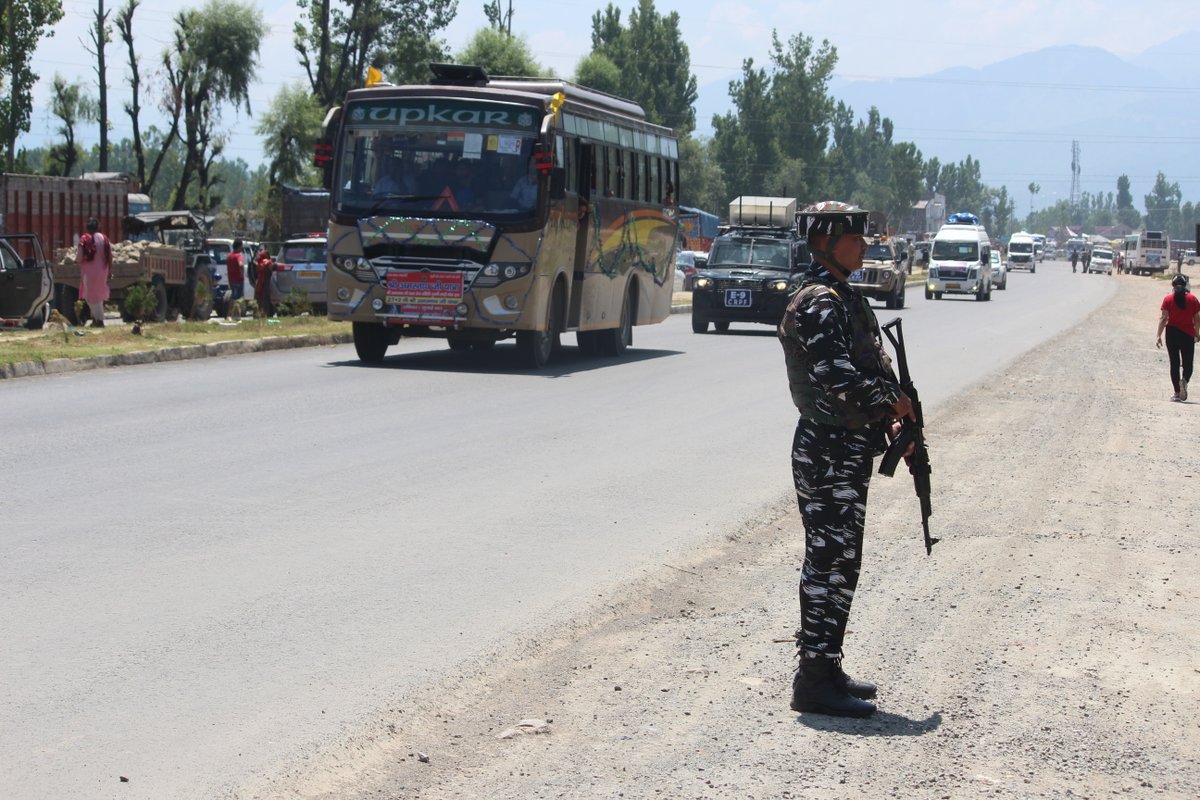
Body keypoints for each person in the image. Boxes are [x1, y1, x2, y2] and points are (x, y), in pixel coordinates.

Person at [778, 201, 914, 718]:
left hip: (846, 448)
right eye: (854, 239)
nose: (864, 246)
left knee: (843, 561)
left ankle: (827, 666)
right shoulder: (818, 301)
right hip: (827, 449)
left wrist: (894, 414)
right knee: (828, 561)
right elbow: (835, 379)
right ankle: (813, 680)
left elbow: (865, 370)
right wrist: (889, 402)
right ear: (825, 242)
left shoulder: (843, 297)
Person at [1155, 273, 1200, 401]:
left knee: (1174, 363)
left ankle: (1176, 393)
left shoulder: (1168, 299)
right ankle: (1184, 380)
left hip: (1172, 334)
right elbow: (1197, 319)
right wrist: (1197, 333)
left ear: (1173, 285)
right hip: (1187, 334)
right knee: (1188, 363)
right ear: (1185, 285)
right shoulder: (1193, 299)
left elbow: (1163, 318)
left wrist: (1158, 335)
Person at [75, 217, 113, 327]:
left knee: (89, 296)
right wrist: (110, 270)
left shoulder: (84, 239)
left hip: (89, 272)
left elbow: (79, 257)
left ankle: (99, 320)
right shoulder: (104, 238)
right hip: (103, 271)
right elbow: (110, 256)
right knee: (98, 295)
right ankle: (96, 320)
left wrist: (76, 260)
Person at [253, 246, 276, 317]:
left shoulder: (258, 264)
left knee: (258, 299)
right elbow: (272, 269)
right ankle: (267, 313)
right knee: (267, 299)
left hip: (259, 283)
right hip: (267, 283)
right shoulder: (268, 263)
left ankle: (258, 314)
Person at [225, 239, 245, 316]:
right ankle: (234, 315)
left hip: (231, 280)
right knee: (238, 299)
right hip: (238, 280)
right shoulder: (238, 256)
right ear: (239, 246)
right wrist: (242, 274)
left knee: (233, 298)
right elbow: (240, 265)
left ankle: (231, 314)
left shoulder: (229, 256)